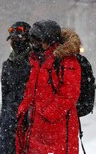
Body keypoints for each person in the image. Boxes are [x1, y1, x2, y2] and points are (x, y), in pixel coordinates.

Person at [16, 20, 82, 154]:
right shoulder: (36, 60)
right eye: (33, 40)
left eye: (38, 40)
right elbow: (31, 91)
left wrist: (47, 115)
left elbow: (69, 93)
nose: (34, 44)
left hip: (56, 129)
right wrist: (24, 110)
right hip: (36, 127)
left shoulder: (65, 60)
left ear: (49, 40)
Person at [0, 22, 31, 154]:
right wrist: (4, 119)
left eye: (18, 39)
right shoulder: (7, 64)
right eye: (12, 39)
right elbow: (5, 95)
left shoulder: (35, 63)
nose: (14, 42)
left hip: (27, 121)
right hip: (8, 121)